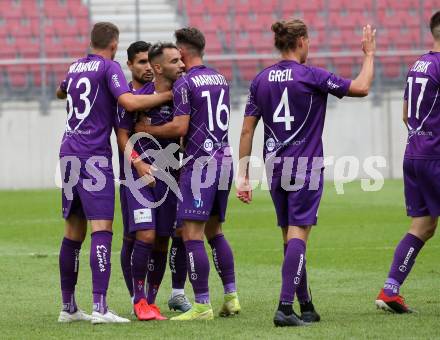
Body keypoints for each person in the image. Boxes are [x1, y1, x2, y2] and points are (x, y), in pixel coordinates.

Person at [237, 19, 375, 327]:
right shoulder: (312, 76)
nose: (309, 45)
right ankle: (285, 308)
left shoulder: (261, 79)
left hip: (274, 166)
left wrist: (243, 174)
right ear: (301, 41)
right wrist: (368, 55)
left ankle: (306, 305)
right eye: (308, 40)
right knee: (299, 234)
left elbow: (247, 129)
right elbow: (362, 87)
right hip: (305, 165)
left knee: (289, 238)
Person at [56, 22, 172, 324]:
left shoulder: (75, 65)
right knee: (102, 230)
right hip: (93, 156)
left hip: (67, 151)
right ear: (114, 45)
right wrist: (165, 97)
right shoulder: (109, 68)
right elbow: (129, 101)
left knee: (73, 233)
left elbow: (60, 91)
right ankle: (100, 307)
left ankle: (68, 307)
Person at [135, 27, 241, 321]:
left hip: (200, 163)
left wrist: (147, 129)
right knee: (215, 231)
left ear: (182, 51)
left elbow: (180, 127)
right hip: (224, 159)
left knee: (191, 233)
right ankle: (231, 296)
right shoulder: (219, 78)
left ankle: (202, 304)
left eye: (177, 55)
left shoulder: (185, 83)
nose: (177, 62)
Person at [116, 41, 191, 317]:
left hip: (170, 176)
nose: (181, 66)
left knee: (162, 239)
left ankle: (151, 300)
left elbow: (184, 131)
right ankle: (138, 301)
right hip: (140, 177)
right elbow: (122, 134)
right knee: (143, 234)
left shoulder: (181, 97)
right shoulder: (137, 98)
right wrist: (138, 163)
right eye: (175, 62)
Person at [375, 10, 440, 314]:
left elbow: (405, 114)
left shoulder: (418, 65)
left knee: (424, 225)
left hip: (413, 152)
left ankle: (390, 289)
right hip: (435, 155)